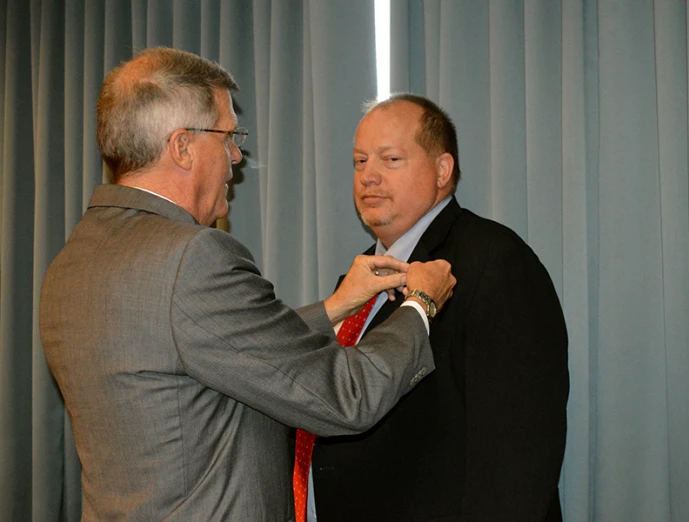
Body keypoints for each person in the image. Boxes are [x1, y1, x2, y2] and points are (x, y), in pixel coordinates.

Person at [39, 48, 455, 521]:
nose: (238, 155)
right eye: (229, 135)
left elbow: (205, 350)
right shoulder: (194, 257)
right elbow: (345, 397)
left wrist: (335, 307)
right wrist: (420, 302)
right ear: (182, 147)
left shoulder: (71, 261)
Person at [310, 94, 569, 522]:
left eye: (390, 159)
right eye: (359, 162)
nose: (368, 177)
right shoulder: (358, 280)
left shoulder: (494, 263)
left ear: (442, 170)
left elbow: (517, 453)